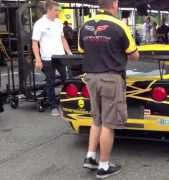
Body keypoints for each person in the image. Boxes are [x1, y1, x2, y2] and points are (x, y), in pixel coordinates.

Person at [78, 0, 139, 178]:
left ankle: (90, 157)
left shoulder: (85, 25)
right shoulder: (119, 25)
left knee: (96, 119)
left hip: (91, 77)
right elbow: (134, 55)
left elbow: (83, 50)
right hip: (111, 78)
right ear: (114, 4)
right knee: (108, 123)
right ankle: (104, 166)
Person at [32, 0, 72, 116]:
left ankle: (68, 103)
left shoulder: (59, 22)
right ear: (49, 10)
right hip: (47, 58)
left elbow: (62, 39)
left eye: (58, 10)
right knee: (51, 81)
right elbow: (35, 42)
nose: (58, 12)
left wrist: (69, 53)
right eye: (56, 10)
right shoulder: (39, 23)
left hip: (60, 56)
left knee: (67, 80)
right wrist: (38, 59)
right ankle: (53, 106)